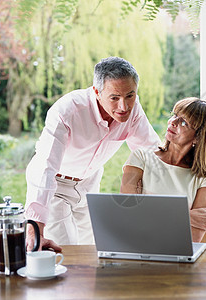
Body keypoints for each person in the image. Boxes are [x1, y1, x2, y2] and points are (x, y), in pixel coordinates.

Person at [25, 57, 161, 251]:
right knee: (67, 252)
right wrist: (35, 228)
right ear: (97, 92)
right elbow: (45, 166)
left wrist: (191, 195)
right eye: (114, 98)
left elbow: (152, 153)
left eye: (130, 95)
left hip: (89, 183)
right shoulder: (67, 111)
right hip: (55, 186)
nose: (124, 107)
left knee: (96, 250)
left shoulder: (133, 109)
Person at [120, 97, 206, 242]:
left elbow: (192, 239)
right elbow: (127, 214)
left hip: (179, 259)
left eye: (183, 122)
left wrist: (147, 210)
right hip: (136, 248)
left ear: (198, 137)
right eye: (174, 115)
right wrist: (185, 216)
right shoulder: (141, 157)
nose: (172, 122)